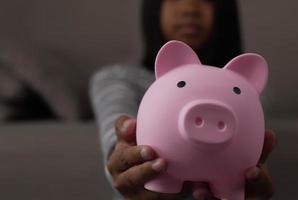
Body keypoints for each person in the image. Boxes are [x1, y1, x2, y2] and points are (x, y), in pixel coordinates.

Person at [90, 0, 277, 199]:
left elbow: (249, 152)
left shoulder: (248, 93)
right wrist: (121, 158)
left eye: (206, 0)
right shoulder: (119, 78)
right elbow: (115, 138)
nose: (190, 9)